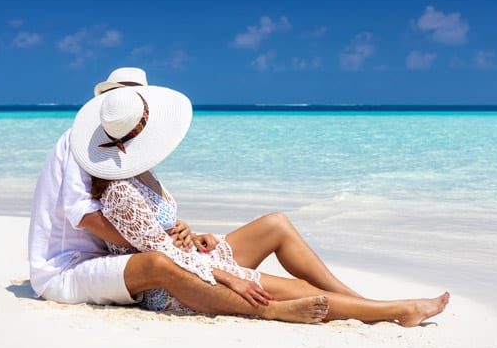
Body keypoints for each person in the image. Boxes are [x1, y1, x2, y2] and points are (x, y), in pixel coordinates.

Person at [70, 85, 450, 325]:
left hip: (194, 259)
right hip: (174, 287)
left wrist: (189, 230)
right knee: (297, 289)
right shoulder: (119, 190)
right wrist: (229, 275)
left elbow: (158, 231)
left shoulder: (143, 174)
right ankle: (398, 311)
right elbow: (160, 257)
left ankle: (361, 303)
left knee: (276, 224)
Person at [28, 67, 329, 323]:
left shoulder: (127, 150)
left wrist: (178, 231)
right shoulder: (80, 142)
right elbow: (85, 215)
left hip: (124, 254)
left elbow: (140, 211)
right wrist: (154, 241)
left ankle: (355, 300)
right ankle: (271, 310)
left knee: (272, 227)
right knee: (160, 262)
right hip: (68, 266)